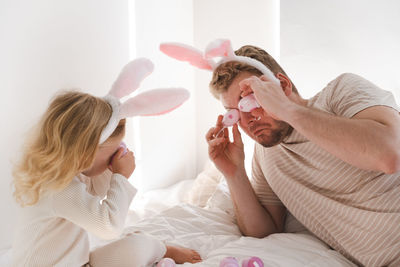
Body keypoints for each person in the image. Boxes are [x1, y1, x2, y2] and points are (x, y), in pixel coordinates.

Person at [205, 45, 400, 267]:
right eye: (235, 112)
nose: (247, 119)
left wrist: (287, 109)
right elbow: (264, 232)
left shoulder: (340, 93)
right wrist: (234, 173)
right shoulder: (266, 155)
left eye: (249, 101)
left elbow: (390, 154)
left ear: (283, 86)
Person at [11, 78, 202, 265]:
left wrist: (111, 168)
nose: (116, 155)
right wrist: (121, 177)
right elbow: (108, 226)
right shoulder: (58, 188)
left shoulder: (68, 171)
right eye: (111, 152)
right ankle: (157, 252)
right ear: (86, 152)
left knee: (138, 246)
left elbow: (96, 192)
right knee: (134, 249)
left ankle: (162, 250)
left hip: (77, 262)